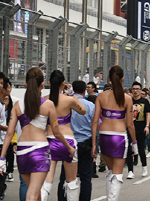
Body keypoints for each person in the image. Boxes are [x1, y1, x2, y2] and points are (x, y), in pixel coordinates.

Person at [0, 67, 75, 201]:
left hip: (22, 152)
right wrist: (69, 147)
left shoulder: (17, 105)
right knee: (33, 195)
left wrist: (2, 158)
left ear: (26, 83)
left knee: (36, 194)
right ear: (42, 84)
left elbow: (9, 133)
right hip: (40, 151)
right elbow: (57, 132)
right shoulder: (48, 105)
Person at [91, 66, 138, 201]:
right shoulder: (127, 99)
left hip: (104, 136)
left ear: (109, 79)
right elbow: (130, 124)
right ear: (122, 79)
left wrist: (94, 143)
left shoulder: (101, 96)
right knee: (117, 174)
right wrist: (134, 143)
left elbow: (95, 121)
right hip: (119, 137)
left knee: (110, 172)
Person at [42, 71, 87, 201]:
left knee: (47, 180)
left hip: (49, 140)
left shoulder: (44, 99)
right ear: (64, 83)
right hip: (68, 140)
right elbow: (83, 110)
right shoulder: (69, 100)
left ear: (49, 83)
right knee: (71, 181)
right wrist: (72, 95)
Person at [57, 80, 95, 201]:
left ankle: (63, 199)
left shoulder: (66, 103)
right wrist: (95, 144)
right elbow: (96, 126)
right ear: (85, 91)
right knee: (86, 178)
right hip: (86, 142)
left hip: (69, 142)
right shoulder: (90, 106)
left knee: (65, 176)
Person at [126, 81, 150, 178]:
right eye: (134, 89)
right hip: (129, 127)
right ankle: (130, 170)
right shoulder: (128, 101)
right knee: (129, 149)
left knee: (140, 149)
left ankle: (144, 166)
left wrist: (147, 126)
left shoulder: (145, 101)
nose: (135, 91)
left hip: (141, 128)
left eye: (137, 89)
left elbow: (148, 114)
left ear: (141, 90)